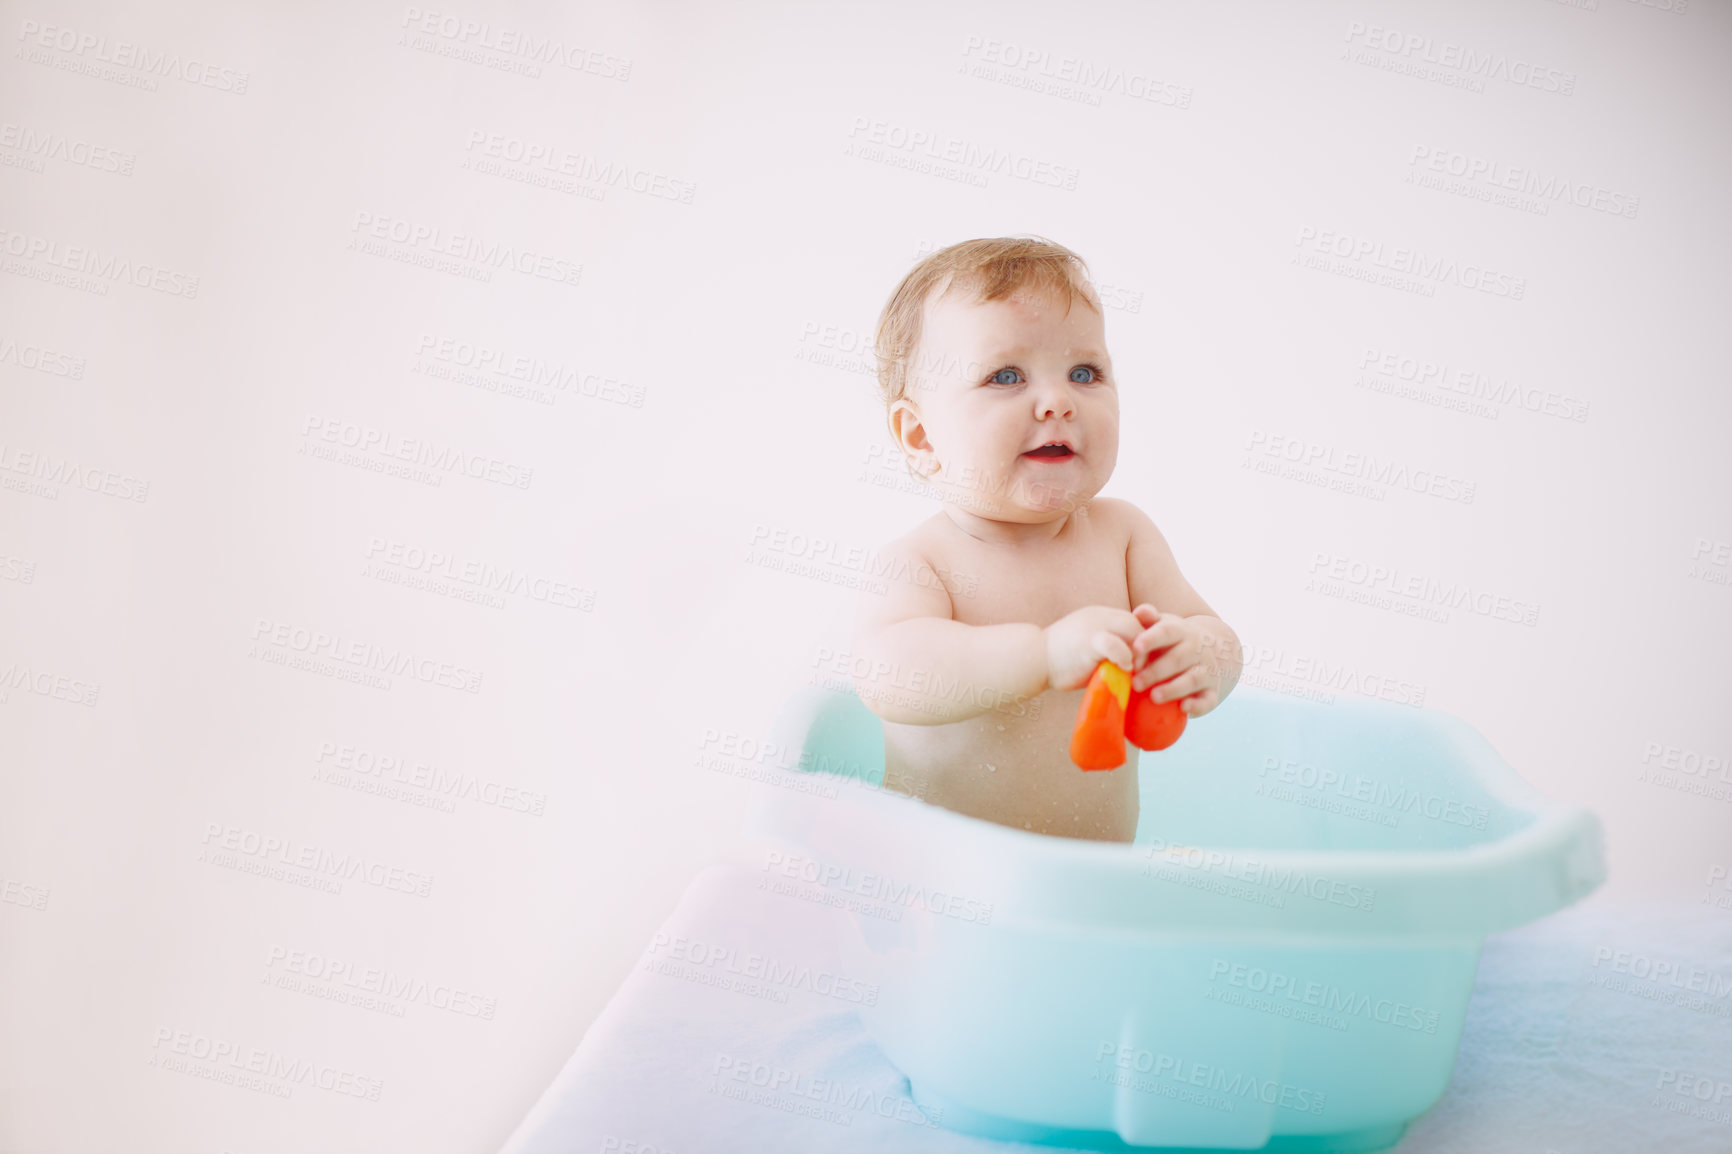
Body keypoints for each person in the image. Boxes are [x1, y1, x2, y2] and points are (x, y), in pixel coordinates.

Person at [851, 236, 1241, 843]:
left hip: (1090, 888)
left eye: (1084, 372)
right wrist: (1042, 655)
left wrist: (1199, 658)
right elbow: (889, 675)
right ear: (922, 436)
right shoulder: (923, 563)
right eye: (1005, 375)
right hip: (933, 891)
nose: (1058, 401)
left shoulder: (1124, 537)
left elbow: (1215, 635)